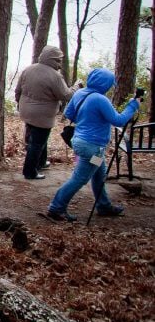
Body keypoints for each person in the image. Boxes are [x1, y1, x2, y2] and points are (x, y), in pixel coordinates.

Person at [46, 68, 142, 222]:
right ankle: (56, 208)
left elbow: (69, 114)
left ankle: (103, 205)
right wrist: (133, 106)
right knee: (80, 178)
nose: (111, 87)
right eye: (110, 84)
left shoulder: (80, 93)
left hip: (80, 142)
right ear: (105, 84)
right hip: (92, 148)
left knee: (99, 174)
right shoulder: (100, 99)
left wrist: (88, 120)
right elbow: (118, 120)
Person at [15, 46, 79, 180]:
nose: (60, 64)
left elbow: (18, 90)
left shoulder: (29, 69)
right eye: (58, 61)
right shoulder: (55, 76)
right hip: (42, 115)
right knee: (37, 143)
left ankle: (42, 162)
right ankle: (30, 172)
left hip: (26, 111)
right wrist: (76, 87)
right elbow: (66, 95)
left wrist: (20, 105)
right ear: (53, 60)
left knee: (38, 138)